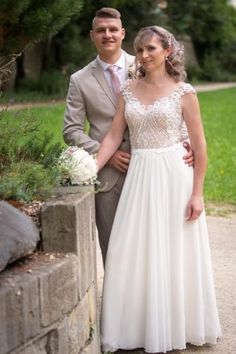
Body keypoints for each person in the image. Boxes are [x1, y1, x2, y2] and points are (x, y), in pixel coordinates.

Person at [96, 26, 222, 353]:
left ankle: (179, 325)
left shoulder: (185, 92)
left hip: (175, 177)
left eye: (150, 48)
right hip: (140, 176)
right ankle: (134, 328)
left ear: (167, 51)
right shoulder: (128, 90)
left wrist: (197, 193)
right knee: (131, 249)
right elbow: (113, 136)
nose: (143, 56)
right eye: (139, 50)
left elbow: (200, 145)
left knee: (175, 251)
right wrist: (89, 168)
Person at [63, 8, 193, 265]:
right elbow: (71, 130)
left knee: (155, 243)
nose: (107, 35)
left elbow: (175, 101)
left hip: (152, 172)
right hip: (108, 179)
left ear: (123, 33)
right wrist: (106, 155)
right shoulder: (79, 80)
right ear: (92, 36)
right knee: (113, 248)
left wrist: (186, 141)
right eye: (101, 30)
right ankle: (117, 304)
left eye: (113, 30)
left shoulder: (148, 60)